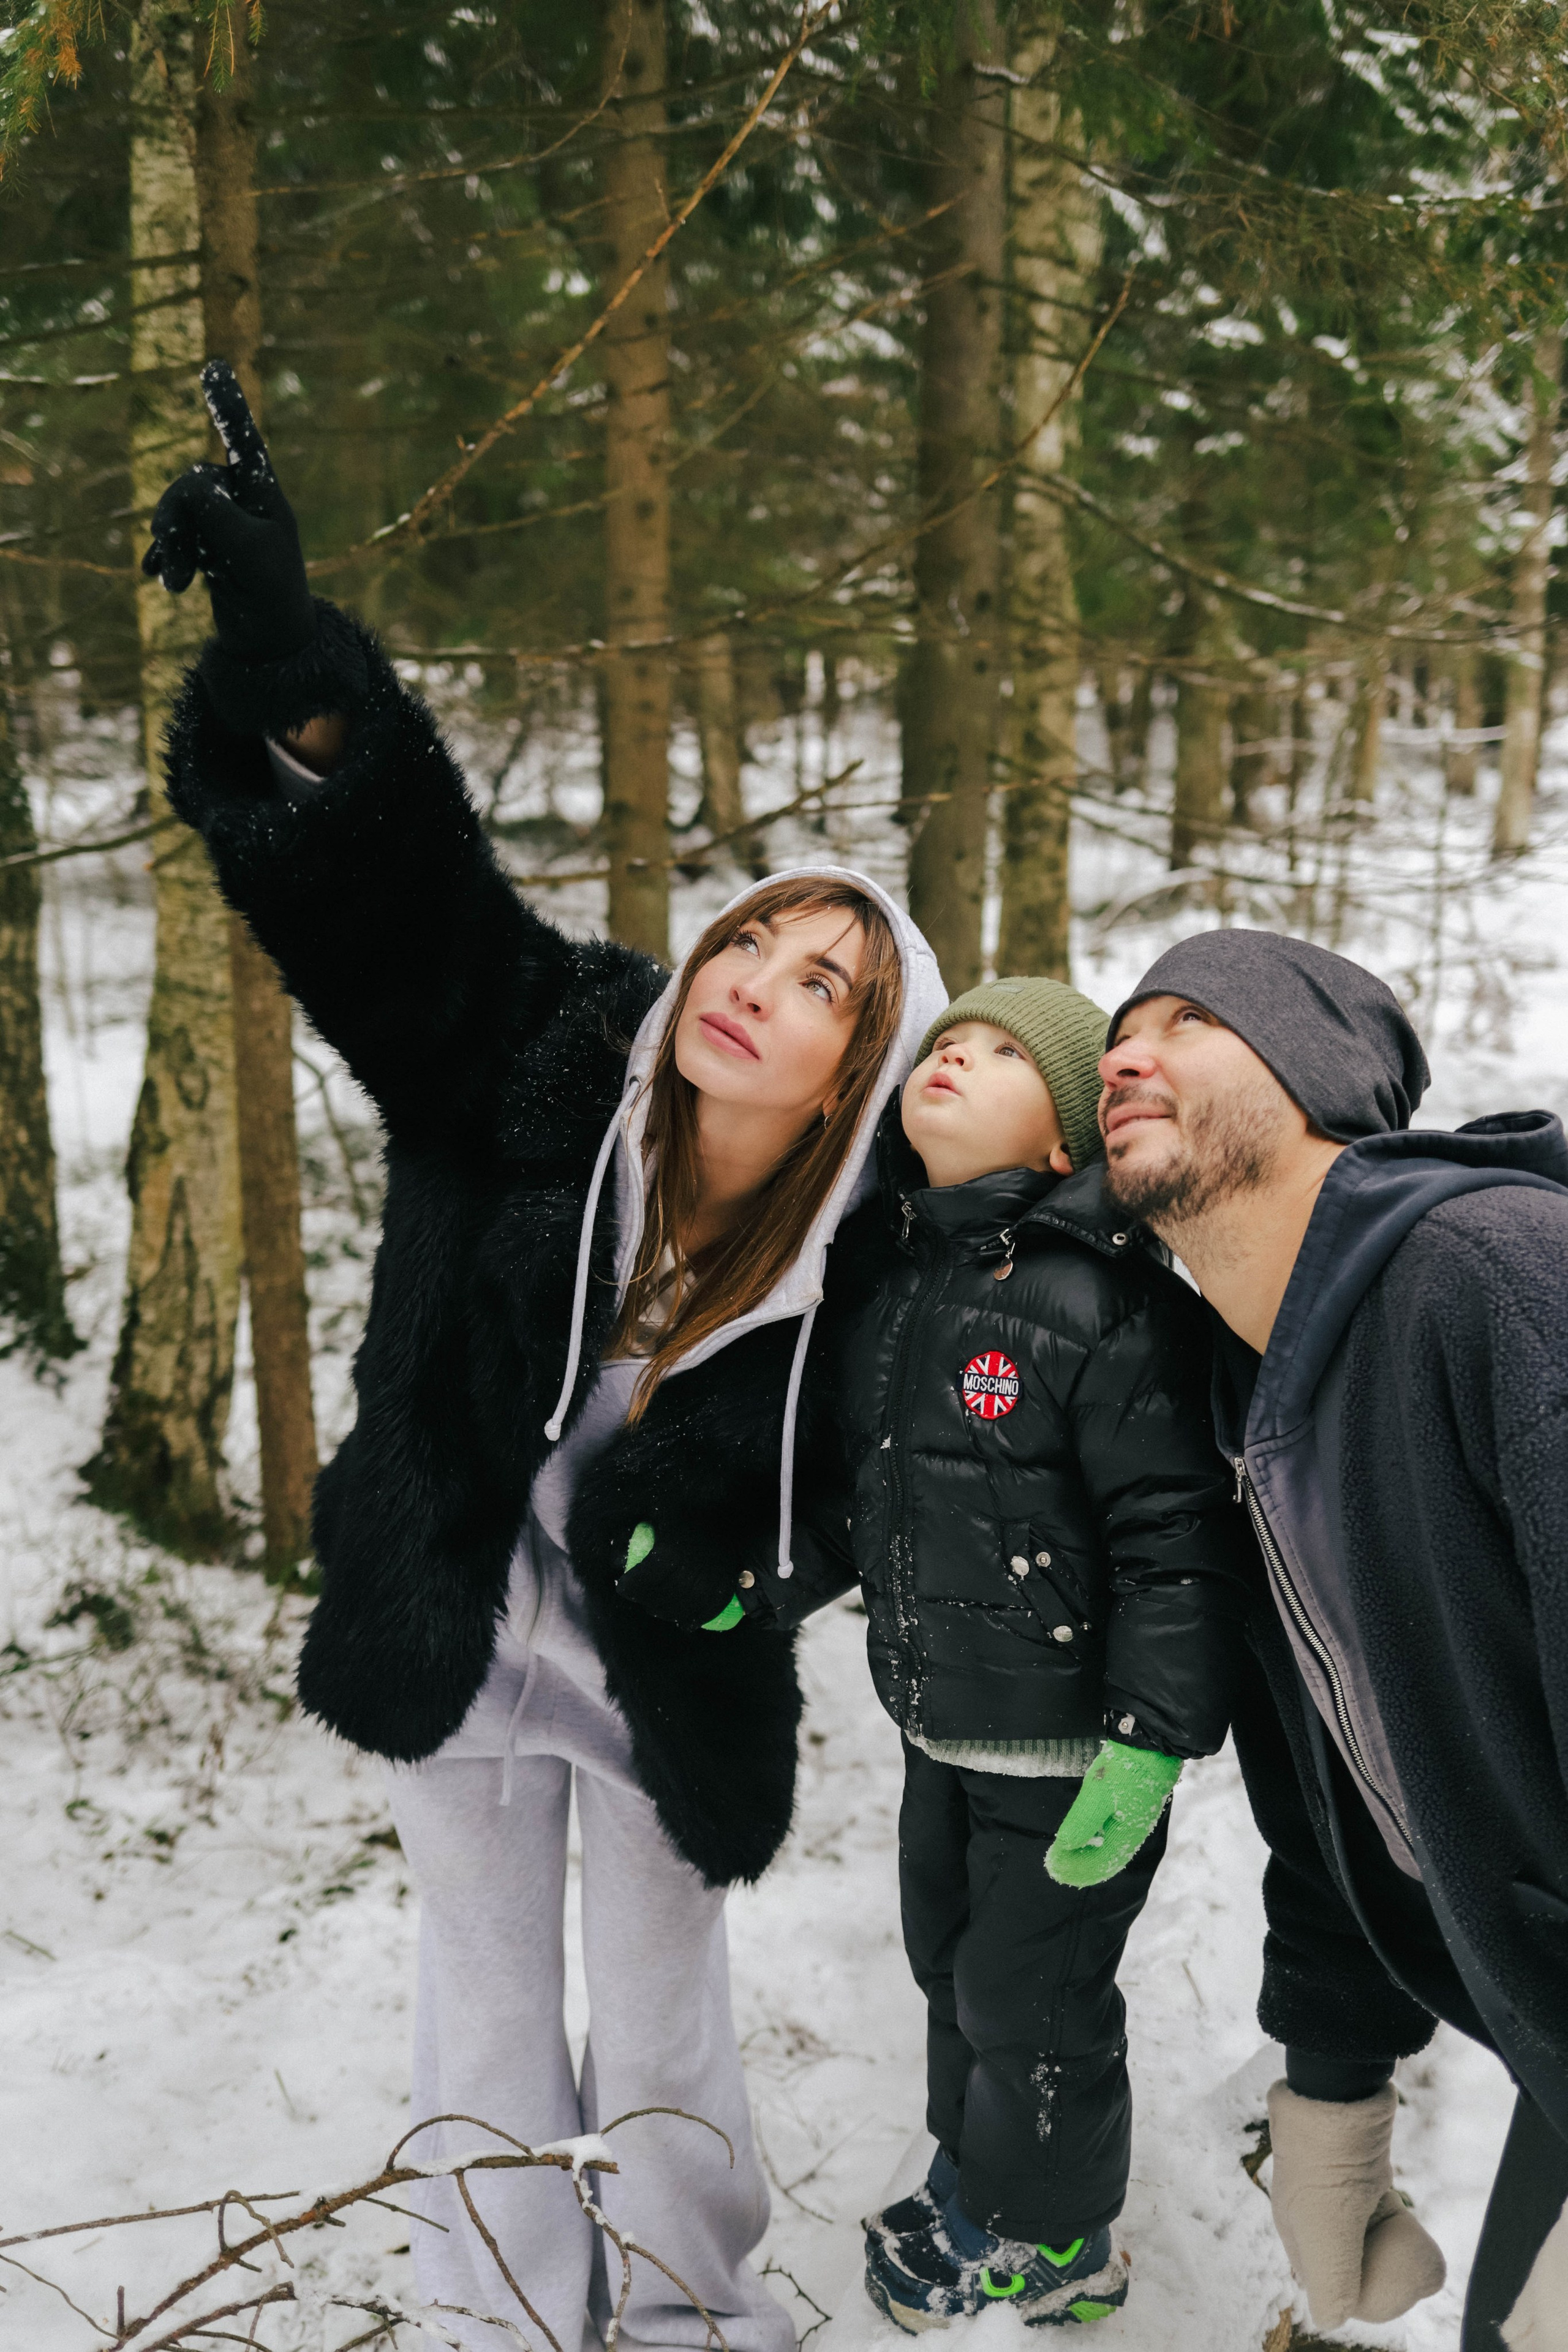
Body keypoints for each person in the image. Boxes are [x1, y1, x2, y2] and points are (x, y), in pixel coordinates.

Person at [142, 360, 950, 2352]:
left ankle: (691, 2311)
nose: (758, 986)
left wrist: (754, 1571)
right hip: (457, 1613)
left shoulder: (864, 1259)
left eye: (824, 982)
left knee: (667, 2013)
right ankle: (497, 2312)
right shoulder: (534, 1047)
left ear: (868, 1058)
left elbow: (871, 1479)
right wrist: (288, 652)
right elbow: (392, 885)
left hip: (663, 1668)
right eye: (751, 943)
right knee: (484, 2007)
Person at [1098, 928, 1568, 2352]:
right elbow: (1338, 1797)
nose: (1124, 1052)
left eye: (1187, 1021)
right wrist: (1331, 2092)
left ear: (1317, 1074)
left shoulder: (1496, 1281)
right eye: (1120, 1031)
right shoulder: (1254, 1402)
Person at [807, 976, 1250, 2331]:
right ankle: (976, 2176)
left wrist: (1150, 1738)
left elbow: (1174, 1537)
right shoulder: (900, 1287)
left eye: (998, 1055)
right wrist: (757, 1587)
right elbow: (875, 1496)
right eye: (946, 1043)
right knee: (948, 1961)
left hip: (1068, 1749)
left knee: (1034, 1999)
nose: (953, 1059)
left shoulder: (1104, 1308)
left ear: (1061, 1143)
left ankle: (1060, 2242)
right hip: (942, 1721)